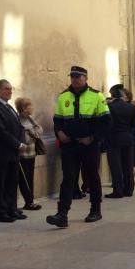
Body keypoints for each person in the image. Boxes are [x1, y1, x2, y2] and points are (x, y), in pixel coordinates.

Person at [46, 65, 110, 228]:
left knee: (92, 177)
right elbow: (58, 120)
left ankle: (95, 210)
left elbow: (105, 122)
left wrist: (93, 138)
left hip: (89, 145)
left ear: (85, 78)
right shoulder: (63, 96)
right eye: (72, 77)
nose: (74, 79)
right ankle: (62, 214)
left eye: (78, 77)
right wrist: (59, 132)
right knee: (68, 179)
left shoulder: (97, 96)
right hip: (69, 145)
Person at [0, 79, 27, 223]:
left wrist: (22, 143)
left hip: (13, 152)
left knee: (12, 181)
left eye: (10, 89)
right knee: (0, 182)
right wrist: (18, 144)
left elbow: (19, 126)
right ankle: (1, 211)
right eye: (6, 89)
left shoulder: (9, 107)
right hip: (0, 152)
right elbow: (0, 131)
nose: (10, 91)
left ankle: (12, 208)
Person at [105, 84, 135, 199]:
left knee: (116, 166)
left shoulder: (109, 107)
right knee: (128, 165)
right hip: (128, 139)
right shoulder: (131, 107)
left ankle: (118, 190)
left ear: (112, 95)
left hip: (113, 139)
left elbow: (106, 124)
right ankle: (129, 189)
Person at [15, 97, 43, 211]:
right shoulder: (19, 119)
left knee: (30, 177)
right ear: (24, 108)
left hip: (32, 152)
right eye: (29, 106)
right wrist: (33, 133)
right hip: (23, 154)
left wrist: (33, 132)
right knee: (24, 178)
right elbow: (25, 138)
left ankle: (30, 201)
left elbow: (39, 130)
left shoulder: (30, 119)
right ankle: (28, 201)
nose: (32, 108)